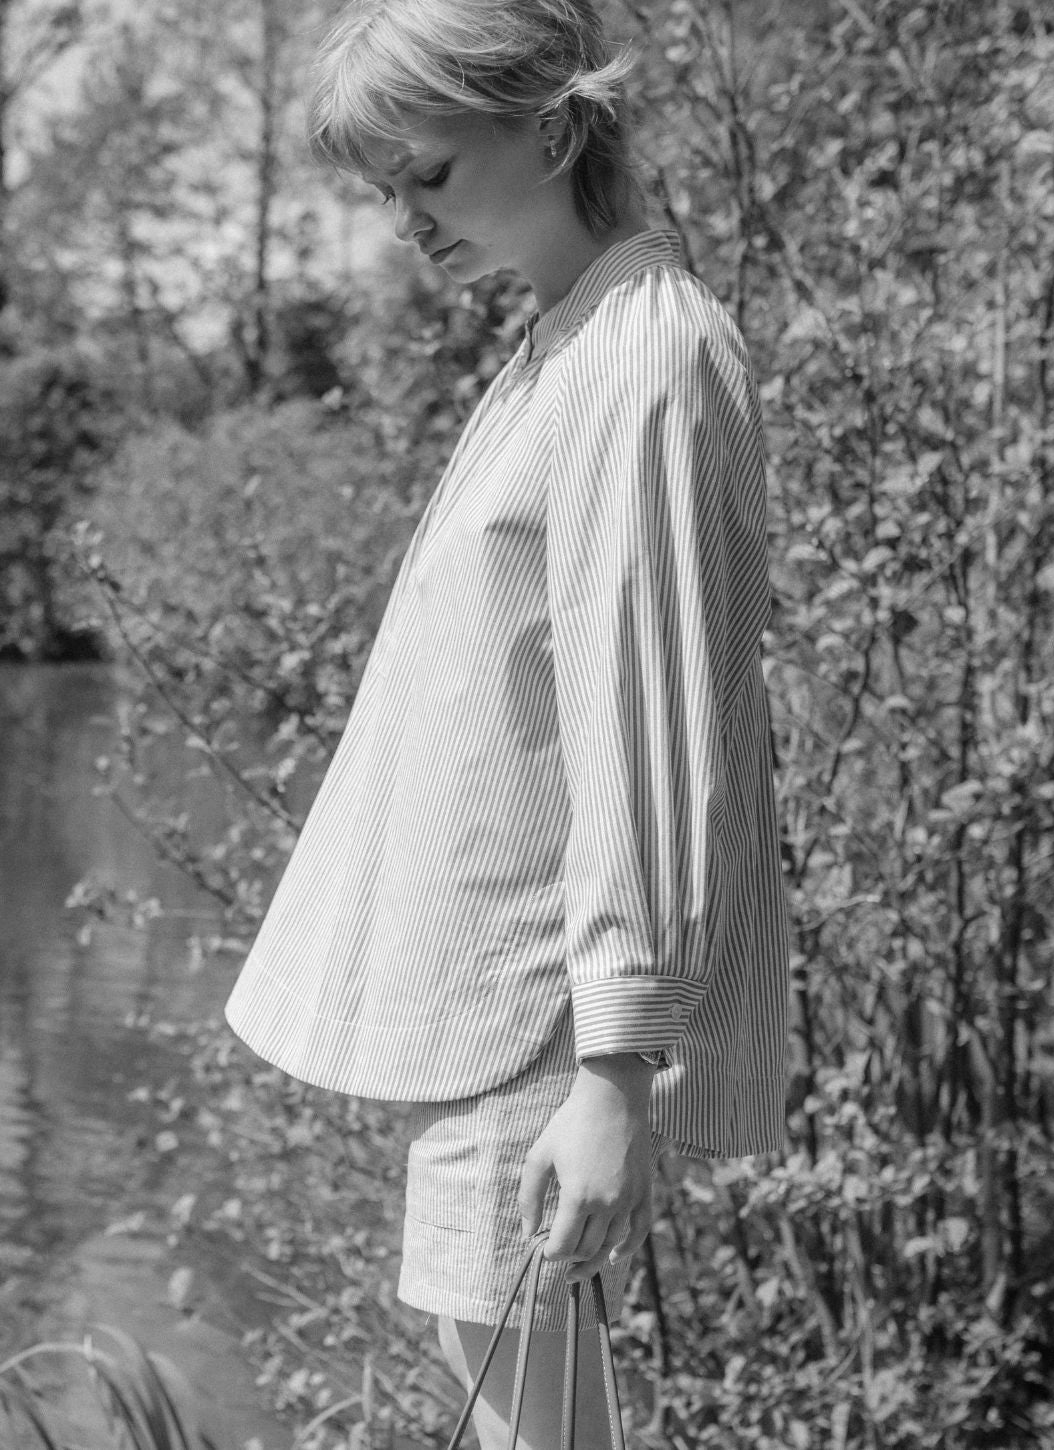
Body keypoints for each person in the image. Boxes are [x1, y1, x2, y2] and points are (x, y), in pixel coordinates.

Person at [224, 1, 790, 1445]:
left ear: (548, 125)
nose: (405, 224)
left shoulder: (641, 356)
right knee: (520, 1411)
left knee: (534, 1426)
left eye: (425, 174)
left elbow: (651, 733)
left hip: (537, 1012)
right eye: (383, 190)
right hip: (505, 1000)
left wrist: (612, 1080)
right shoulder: (569, 340)